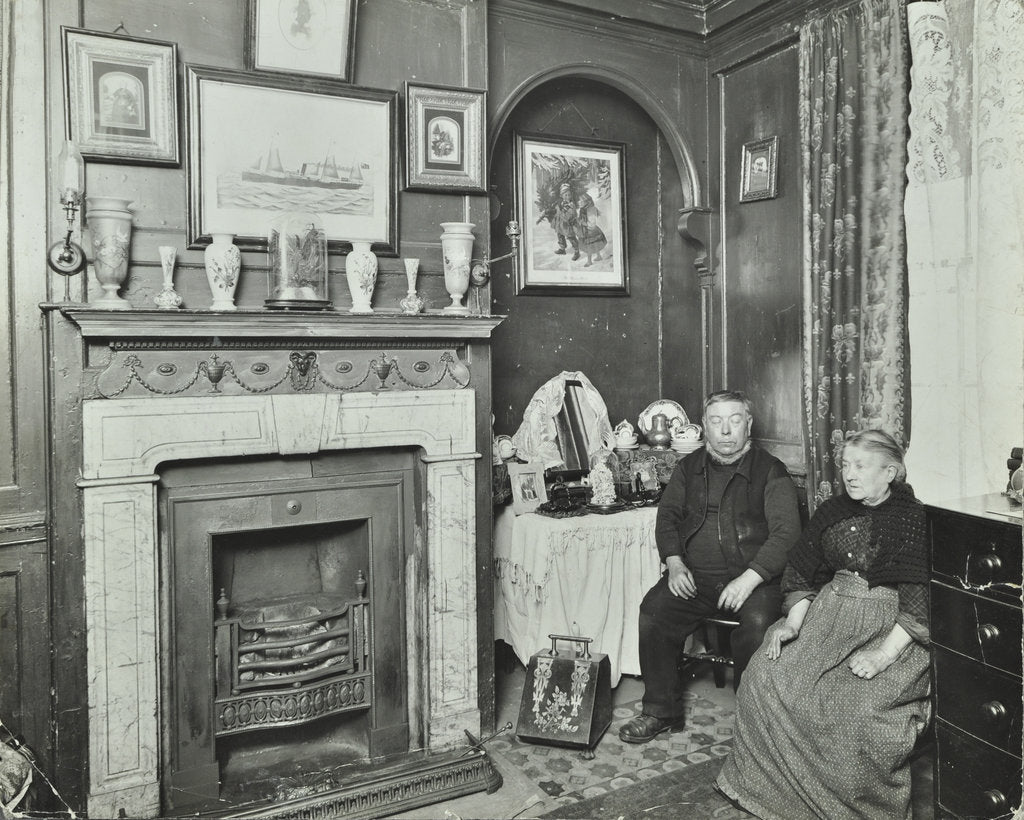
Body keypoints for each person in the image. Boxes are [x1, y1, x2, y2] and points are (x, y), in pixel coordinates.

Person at [716, 429, 931, 820]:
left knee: (859, 711)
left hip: (890, 630)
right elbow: (800, 571)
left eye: (860, 466)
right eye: (845, 464)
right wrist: (792, 623)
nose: (849, 473)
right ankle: (771, 796)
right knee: (766, 676)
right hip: (828, 618)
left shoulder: (913, 519)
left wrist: (882, 656)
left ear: (891, 472)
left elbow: (917, 607)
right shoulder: (832, 510)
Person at [618, 390, 801, 743]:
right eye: (716, 422)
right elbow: (667, 518)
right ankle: (661, 711)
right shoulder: (689, 467)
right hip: (696, 580)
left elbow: (787, 534)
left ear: (748, 424)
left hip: (754, 579)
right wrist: (673, 562)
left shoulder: (770, 470)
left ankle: (754, 724)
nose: (726, 431)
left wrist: (750, 579)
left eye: (735, 421)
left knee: (760, 624)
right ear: (705, 427)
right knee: (654, 612)